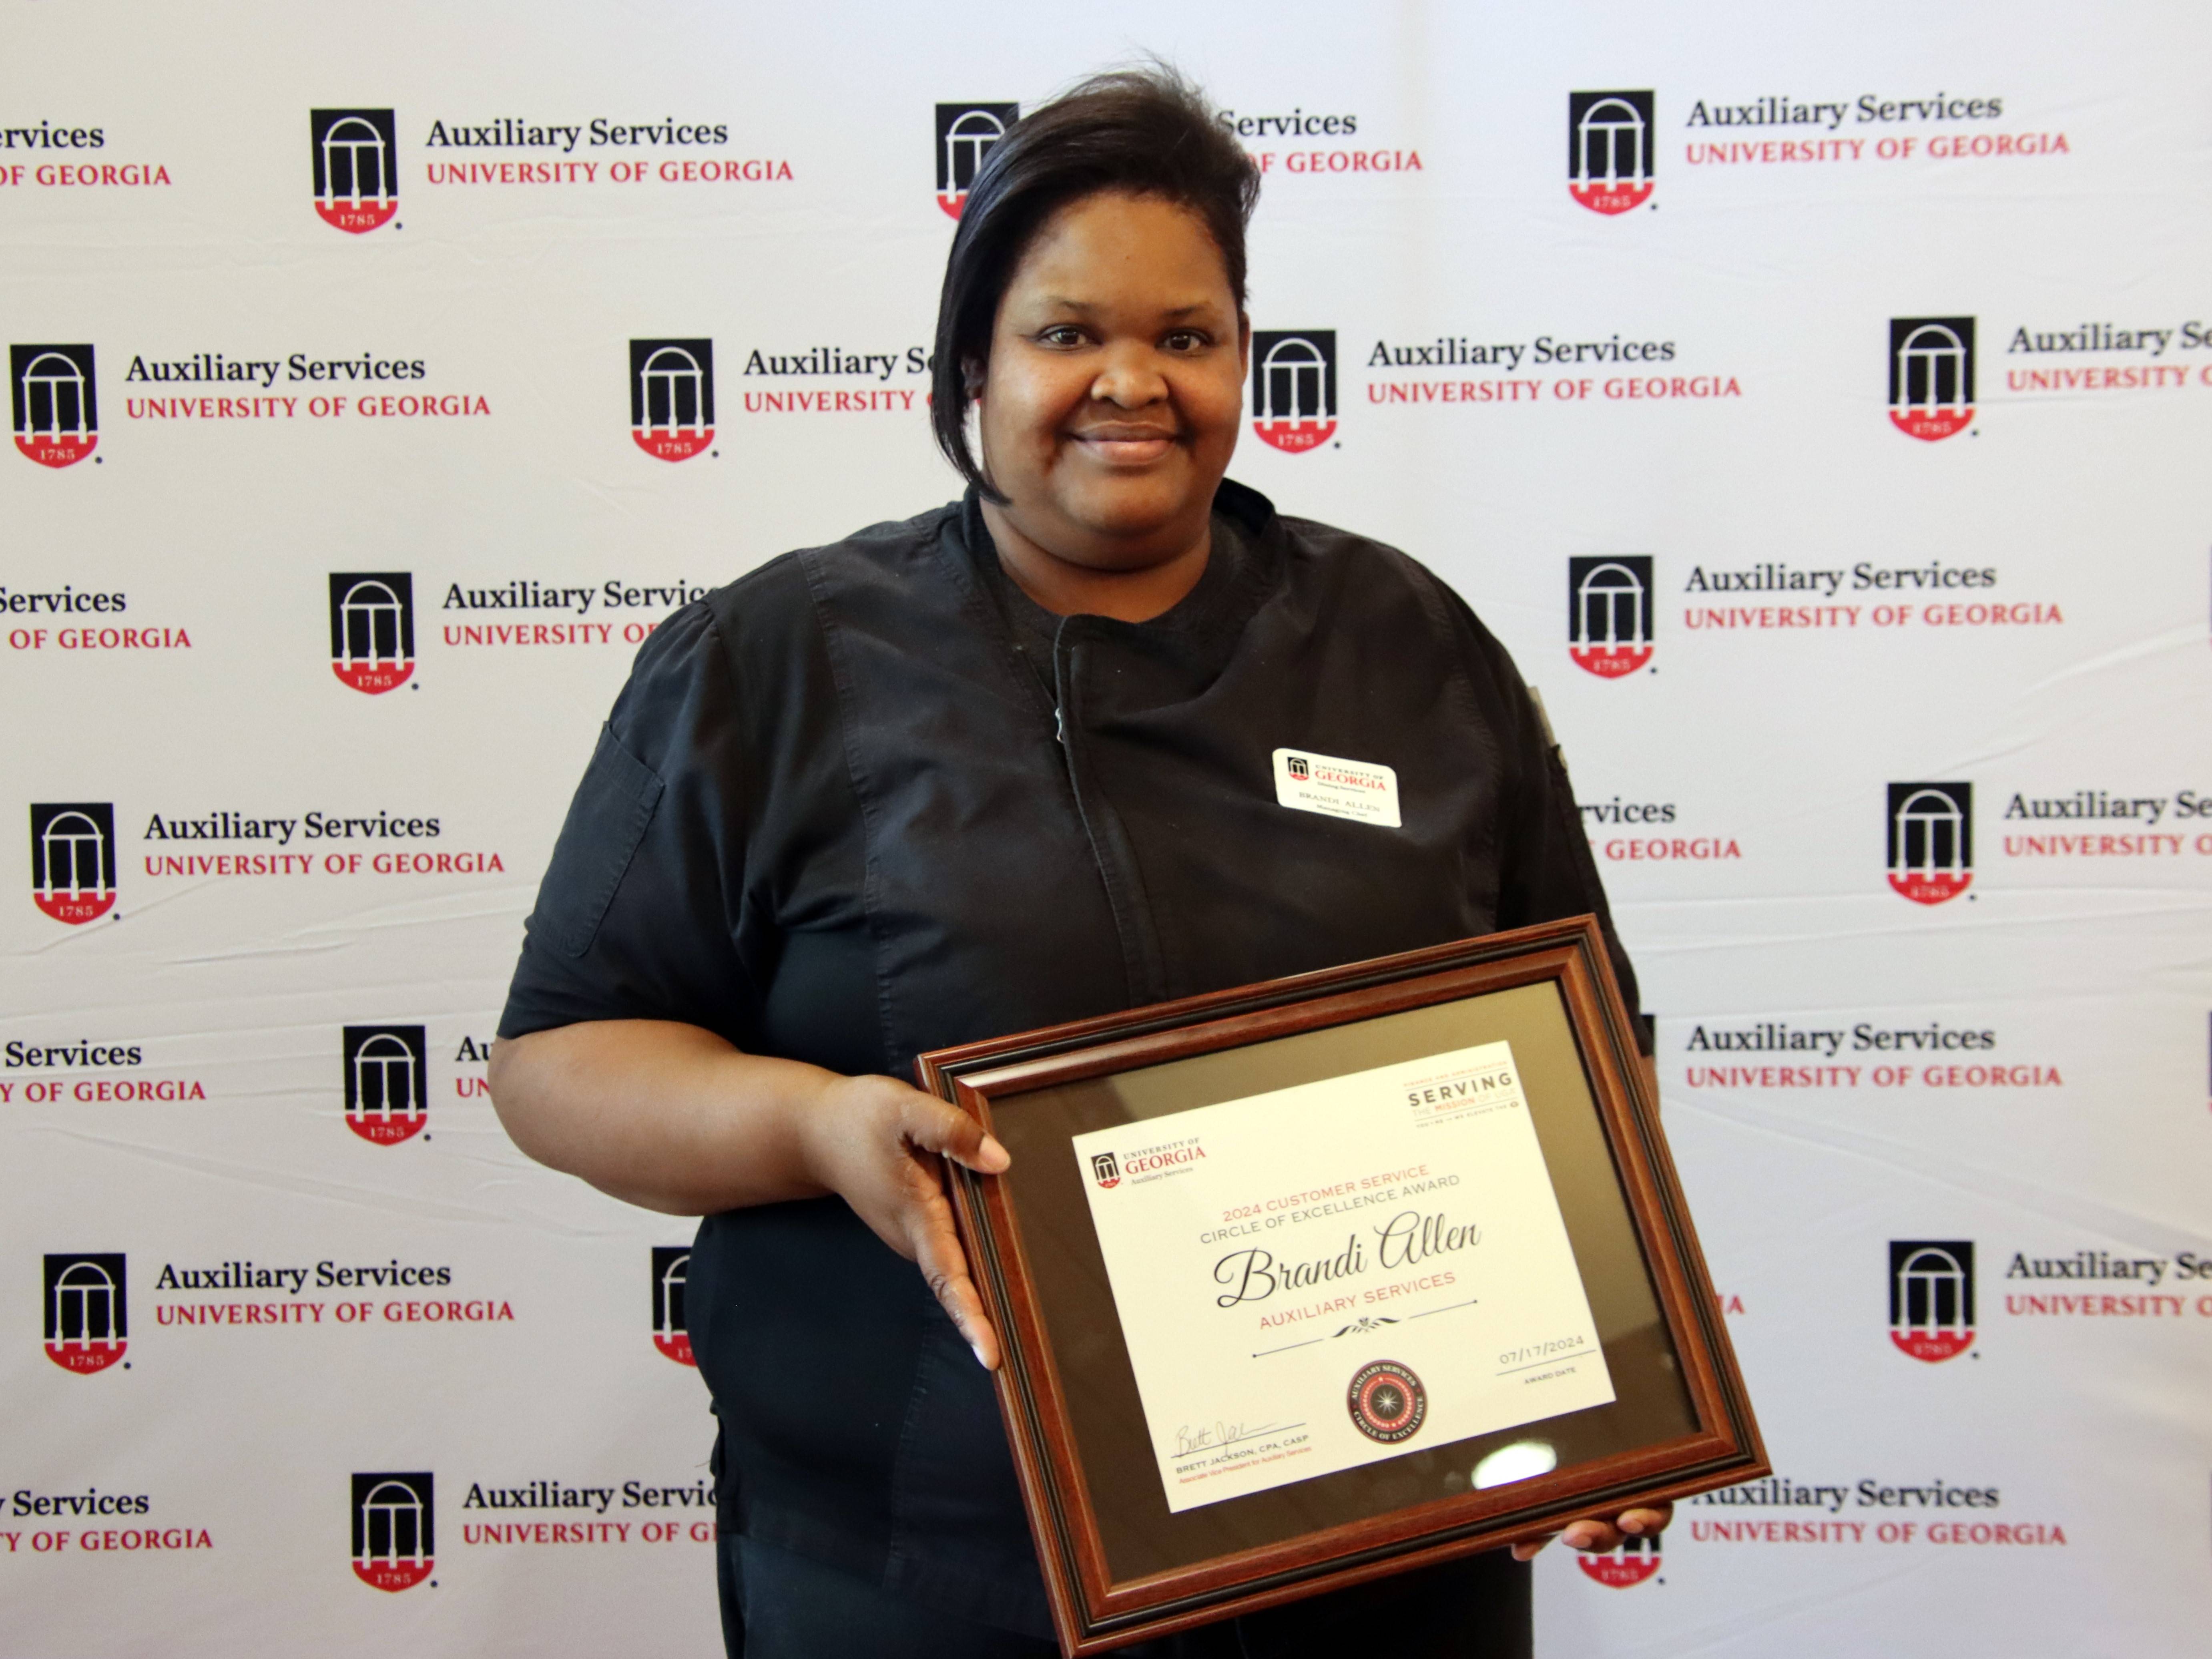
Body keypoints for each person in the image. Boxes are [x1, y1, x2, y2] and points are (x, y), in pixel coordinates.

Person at [490, 66, 1666, 1659]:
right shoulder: (776, 658)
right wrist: (817, 1122)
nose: (1133, 382)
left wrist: (1612, 1381)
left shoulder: (1407, 644)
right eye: (1067, 333)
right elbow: (561, 1063)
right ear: (971, 363)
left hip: (1385, 1556)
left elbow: (1585, 1054)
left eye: (1186, 336)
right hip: (928, 1574)